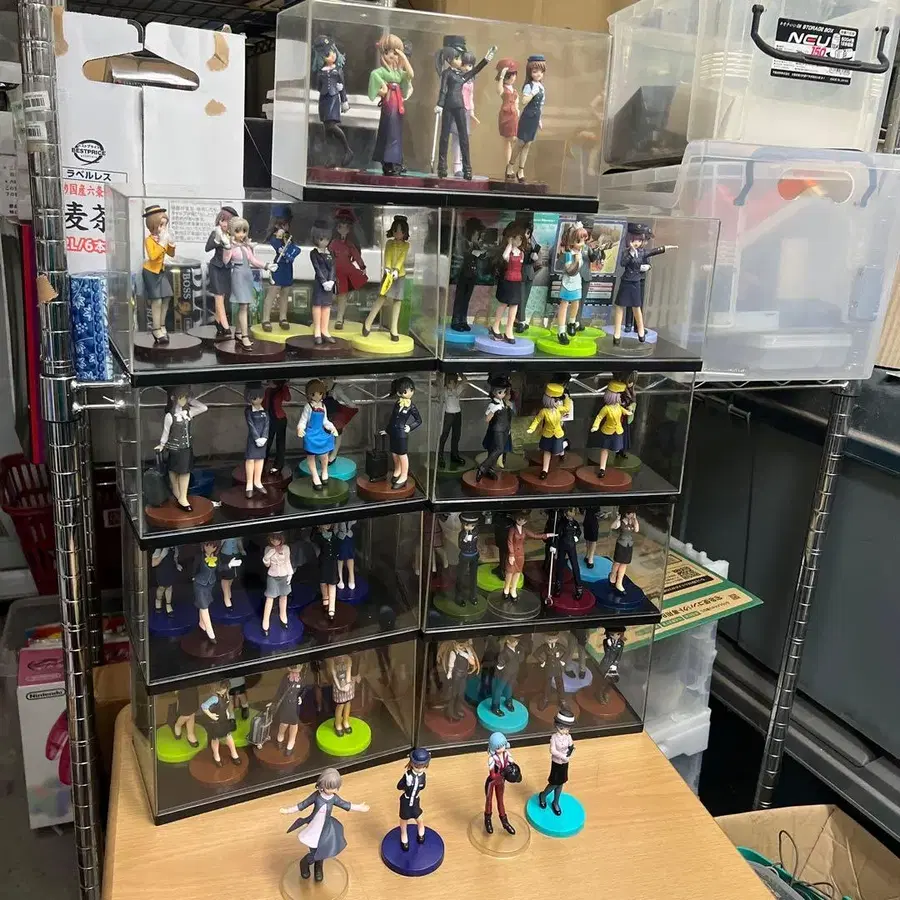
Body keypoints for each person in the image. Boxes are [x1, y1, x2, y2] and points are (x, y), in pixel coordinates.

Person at [280, 768, 370, 883]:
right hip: (314, 828)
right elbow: (302, 805)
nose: (331, 790)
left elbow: (345, 804)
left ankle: (318, 867)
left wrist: (359, 807)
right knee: (314, 850)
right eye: (329, 787)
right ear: (322, 784)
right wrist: (287, 811)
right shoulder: (316, 796)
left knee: (323, 849)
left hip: (326, 829)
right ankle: (305, 862)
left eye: (334, 787)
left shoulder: (334, 798)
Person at [434, 36, 495, 180]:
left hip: (460, 107)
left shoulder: (462, 75)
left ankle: (467, 168)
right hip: (448, 106)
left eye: (460, 58)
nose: (460, 60)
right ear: (449, 59)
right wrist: (440, 104)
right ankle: (442, 167)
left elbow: (475, 71)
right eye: (457, 58)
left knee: (464, 137)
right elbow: (443, 90)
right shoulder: (447, 74)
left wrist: (486, 60)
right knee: (444, 137)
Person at [613, 223, 676, 345]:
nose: (636, 243)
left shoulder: (642, 253)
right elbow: (623, 263)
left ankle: (641, 331)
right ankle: (617, 333)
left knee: (636, 307)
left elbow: (654, 251)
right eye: (633, 240)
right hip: (625, 281)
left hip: (636, 282)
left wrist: (666, 247)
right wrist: (631, 253)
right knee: (620, 307)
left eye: (639, 240)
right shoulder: (626, 253)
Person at [225, 216, 277, 350]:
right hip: (238, 276)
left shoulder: (245, 246)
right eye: (238, 231)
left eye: (244, 231)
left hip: (247, 275)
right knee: (243, 306)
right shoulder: (230, 246)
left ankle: (238, 332)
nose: (241, 234)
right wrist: (227, 247)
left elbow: (253, 260)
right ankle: (245, 336)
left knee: (245, 305)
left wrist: (267, 266)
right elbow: (225, 261)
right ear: (231, 231)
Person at [155, 386, 208, 512]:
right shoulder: (170, 416)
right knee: (173, 471)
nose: (183, 400)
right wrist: (162, 444)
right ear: (173, 398)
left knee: (185, 472)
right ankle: (176, 491)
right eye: (181, 397)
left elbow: (204, 408)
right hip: (174, 448)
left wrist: (191, 399)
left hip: (186, 448)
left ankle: (183, 497)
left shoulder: (189, 412)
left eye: (185, 398)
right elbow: (166, 432)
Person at [368, 34, 414, 177]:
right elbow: (375, 81)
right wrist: (382, 89)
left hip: (397, 103)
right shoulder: (380, 72)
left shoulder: (399, 73)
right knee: (388, 131)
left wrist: (403, 57)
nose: (391, 56)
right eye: (388, 52)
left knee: (396, 133)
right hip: (389, 103)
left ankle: (395, 162)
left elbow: (410, 75)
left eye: (395, 52)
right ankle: (388, 162)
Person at [363, 215, 410, 342]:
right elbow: (387, 255)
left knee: (397, 300)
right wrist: (388, 268)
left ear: (405, 232)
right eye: (395, 231)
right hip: (388, 274)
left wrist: (396, 270)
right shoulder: (389, 243)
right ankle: (368, 322)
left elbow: (401, 258)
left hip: (400, 275)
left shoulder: (406, 245)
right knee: (382, 297)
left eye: (401, 231)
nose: (398, 233)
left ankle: (394, 329)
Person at [311, 34, 352, 168]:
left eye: (333, 52)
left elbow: (342, 87)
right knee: (327, 131)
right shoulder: (321, 72)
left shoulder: (338, 71)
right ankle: (331, 158)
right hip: (324, 100)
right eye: (328, 54)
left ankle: (347, 149)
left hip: (334, 99)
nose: (332, 55)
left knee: (331, 126)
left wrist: (344, 101)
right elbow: (318, 86)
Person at [506, 55, 546, 183]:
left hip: (535, 117)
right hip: (527, 116)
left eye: (540, 71)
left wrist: (540, 119)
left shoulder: (541, 87)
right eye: (535, 71)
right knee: (520, 143)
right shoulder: (529, 86)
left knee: (528, 144)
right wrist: (533, 93)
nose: (538, 74)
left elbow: (541, 104)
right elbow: (523, 101)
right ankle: (510, 165)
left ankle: (521, 170)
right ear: (530, 72)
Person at [141, 204, 176, 345]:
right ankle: (155, 329)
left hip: (161, 271)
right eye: (161, 225)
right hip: (150, 272)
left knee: (167, 296)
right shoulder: (149, 240)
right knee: (157, 301)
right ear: (152, 225)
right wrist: (162, 243)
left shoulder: (163, 238)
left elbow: (171, 254)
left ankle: (162, 325)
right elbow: (153, 256)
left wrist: (171, 243)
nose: (163, 228)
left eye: (165, 225)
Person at [503, 511, 554, 603]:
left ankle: (513, 589)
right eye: (519, 519)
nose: (521, 521)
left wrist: (546, 535)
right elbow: (509, 542)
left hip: (520, 554)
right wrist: (511, 554)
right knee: (509, 572)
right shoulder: (512, 529)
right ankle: (506, 588)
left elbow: (534, 535)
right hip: (513, 554)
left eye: (524, 520)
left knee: (518, 572)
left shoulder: (524, 530)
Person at [381, 376, 421, 490]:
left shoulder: (411, 406)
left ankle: (404, 476)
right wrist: (387, 430)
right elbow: (392, 418)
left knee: (402, 455)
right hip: (393, 432)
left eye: (411, 390)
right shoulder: (397, 403)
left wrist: (410, 427)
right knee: (394, 453)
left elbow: (419, 420)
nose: (410, 392)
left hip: (402, 434)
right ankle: (397, 470)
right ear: (399, 392)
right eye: (406, 390)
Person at [263, 208, 300, 331]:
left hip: (288, 267)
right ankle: (266, 319)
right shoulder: (274, 237)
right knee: (273, 292)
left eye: (286, 224)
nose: (284, 227)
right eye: (281, 225)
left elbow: (293, 249)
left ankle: (283, 318)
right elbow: (276, 245)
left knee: (285, 293)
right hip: (278, 266)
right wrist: (280, 237)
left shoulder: (289, 237)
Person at [297, 379, 338, 491]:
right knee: (311, 456)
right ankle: (315, 476)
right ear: (309, 394)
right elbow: (303, 420)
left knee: (324, 455)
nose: (317, 396)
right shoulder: (308, 407)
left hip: (321, 432)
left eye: (320, 393)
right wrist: (300, 428)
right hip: (311, 434)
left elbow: (325, 421)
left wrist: (332, 427)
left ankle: (325, 471)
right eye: (314, 394)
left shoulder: (323, 406)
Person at [490, 220, 526, 344]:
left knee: (515, 305)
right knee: (504, 303)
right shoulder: (506, 250)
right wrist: (509, 244)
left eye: (520, 239)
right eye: (516, 238)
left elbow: (522, 263)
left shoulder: (521, 253)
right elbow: (505, 257)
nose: (519, 241)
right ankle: (495, 326)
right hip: (507, 279)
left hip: (517, 280)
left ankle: (509, 330)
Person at [330, 208, 367, 329]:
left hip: (345, 273)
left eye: (346, 227)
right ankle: (329, 315)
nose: (343, 229)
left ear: (350, 229)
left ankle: (339, 318)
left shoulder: (350, 244)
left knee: (343, 295)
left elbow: (356, 256)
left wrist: (362, 266)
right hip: (334, 272)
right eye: (340, 226)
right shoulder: (333, 243)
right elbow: (328, 255)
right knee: (332, 295)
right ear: (337, 228)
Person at [205, 205, 238, 340]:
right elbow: (207, 248)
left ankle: (218, 322)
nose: (224, 224)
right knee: (218, 297)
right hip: (216, 267)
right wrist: (218, 241)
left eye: (228, 222)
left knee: (223, 297)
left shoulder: (231, 235)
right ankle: (225, 326)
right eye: (222, 220)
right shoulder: (216, 233)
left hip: (226, 268)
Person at [527, 382, 571, 479]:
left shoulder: (559, 409)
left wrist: (567, 398)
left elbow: (567, 409)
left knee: (556, 452)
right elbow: (537, 420)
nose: (558, 402)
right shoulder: (544, 411)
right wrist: (531, 428)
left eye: (559, 400)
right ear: (549, 400)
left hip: (558, 434)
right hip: (547, 434)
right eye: (556, 400)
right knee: (547, 451)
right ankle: (544, 470)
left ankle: (565, 444)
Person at [475, 373, 514, 482]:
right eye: (500, 392)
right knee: (499, 449)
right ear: (493, 392)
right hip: (497, 430)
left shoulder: (503, 402)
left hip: (504, 430)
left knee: (495, 449)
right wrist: (493, 411)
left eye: (504, 392)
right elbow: (487, 419)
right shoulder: (493, 405)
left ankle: (489, 468)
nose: (503, 394)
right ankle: (483, 467)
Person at [537, 709, 576, 816]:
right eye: (562, 728)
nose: (564, 730)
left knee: (561, 782)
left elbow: (571, 747)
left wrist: (570, 753)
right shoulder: (554, 737)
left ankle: (556, 802)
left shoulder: (568, 737)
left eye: (567, 728)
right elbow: (552, 750)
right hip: (557, 762)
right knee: (554, 783)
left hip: (565, 763)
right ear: (557, 726)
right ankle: (543, 795)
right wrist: (563, 756)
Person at [450, 217, 485, 332]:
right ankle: (456, 321)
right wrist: (472, 253)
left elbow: (481, 256)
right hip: (462, 273)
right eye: (477, 234)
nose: (478, 237)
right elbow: (460, 254)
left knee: (466, 299)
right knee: (459, 298)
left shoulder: (475, 245)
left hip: (472, 274)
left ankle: (463, 320)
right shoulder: (462, 242)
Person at [200, 681, 242, 768]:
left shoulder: (225, 695)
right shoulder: (214, 698)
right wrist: (211, 715)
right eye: (221, 688)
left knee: (228, 736)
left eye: (224, 688)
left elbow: (225, 706)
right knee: (215, 739)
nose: (223, 690)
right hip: (215, 722)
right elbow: (204, 706)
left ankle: (234, 754)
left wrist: (227, 712)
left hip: (224, 719)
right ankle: (216, 756)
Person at [484, 732, 519, 835]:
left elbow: (512, 765)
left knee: (500, 801)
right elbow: (492, 775)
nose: (502, 748)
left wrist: (514, 772)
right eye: (498, 747)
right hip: (492, 782)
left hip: (501, 781)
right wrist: (503, 773)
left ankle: (504, 822)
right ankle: (488, 820)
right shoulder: (492, 759)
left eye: (503, 745)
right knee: (489, 801)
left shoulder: (507, 755)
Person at [396, 748, 431, 850]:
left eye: (422, 766)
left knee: (419, 818)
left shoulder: (423, 776)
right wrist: (407, 784)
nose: (419, 769)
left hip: (415, 800)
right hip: (406, 801)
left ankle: (421, 832)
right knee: (404, 819)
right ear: (412, 763)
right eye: (417, 766)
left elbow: (423, 786)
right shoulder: (407, 775)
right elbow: (398, 786)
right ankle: (404, 835)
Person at [309, 220, 337, 345]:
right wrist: (324, 282)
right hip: (319, 283)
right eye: (321, 239)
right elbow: (317, 268)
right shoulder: (314, 253)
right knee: (317, 305)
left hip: (329, 283)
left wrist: (331, 280)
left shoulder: (331, 253)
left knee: (327, 306)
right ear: (316, 239)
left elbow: (333, 267)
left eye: (327, 239)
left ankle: (325, 330)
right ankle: (317, 331)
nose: (325, 242)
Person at [438, 638, 479, 721]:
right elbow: (451, 664)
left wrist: (465, 655)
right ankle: (450, 713)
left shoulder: (468, 651)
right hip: (456, 675)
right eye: (460, 645)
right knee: (453, 694)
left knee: (461, 693)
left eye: (463, 645)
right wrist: (449, 672)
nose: (462, 647)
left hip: (464, 674)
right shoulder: (453, 652)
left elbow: (473, 662)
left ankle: (457, 709)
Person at [261, 532, 294, 636]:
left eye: (277, 539)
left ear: (281, 539)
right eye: (273, 539)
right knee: (269, 598)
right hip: (272, 576)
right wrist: (267, 557)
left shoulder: (286, 548)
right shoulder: (268, 548)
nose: (275, 541)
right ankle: (265, 622)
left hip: (284, 575)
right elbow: (267, 564)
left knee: (284, 597)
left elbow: (288, 561)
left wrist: (290, 574)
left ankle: (283, 616)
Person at [272, 664, 307, 757]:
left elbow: (304, 690)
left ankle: (290, 744)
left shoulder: (302, 679)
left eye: (296, 672)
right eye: (293, 672)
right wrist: (274, 702)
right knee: (284, 723)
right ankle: (280, 737)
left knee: (294, 725)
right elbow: (280, 691)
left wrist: (301, 697)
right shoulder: (285, 679)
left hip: (295, 706)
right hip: (285, 705)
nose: (295, 674)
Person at [243, 382, 270, 500]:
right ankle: (249, 484)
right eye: (254, 398)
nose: (258, 400)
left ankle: (258, 482)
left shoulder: (265, 411)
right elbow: (251, 425)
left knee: (260, 459)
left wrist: (264, 437)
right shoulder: (248, 411)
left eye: (260, 397)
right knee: (250, 460)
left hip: (263, 440)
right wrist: (257, 438)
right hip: (253, 440)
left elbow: (267, 425)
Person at [550, 507, 584, 600]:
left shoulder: (575, 523)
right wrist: (554, 545)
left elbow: (579, 531)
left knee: (575, 566)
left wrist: (577, 536)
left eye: (574, 511)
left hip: (572, 546)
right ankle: (558, 586)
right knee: (560, 566)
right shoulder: (562, 523)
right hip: (562, 546)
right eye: (571, 511)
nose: (574, 513)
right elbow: (558, 534)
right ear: (566, 512)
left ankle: (579, 588)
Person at [495, 58, 519, 174]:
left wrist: (518, 110)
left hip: (514, 115)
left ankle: (509, 166)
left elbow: (517, 102)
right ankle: (509, 165)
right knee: (510, 139)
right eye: (510, 75)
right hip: (506, 115)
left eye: (514, 75)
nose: (513, 78)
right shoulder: (503, 88)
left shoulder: (513, 89)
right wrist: (501, 77)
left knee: (511, 140)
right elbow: (499, 91)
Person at [534, 632, 569, 712]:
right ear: (546, 638)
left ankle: (562, 700)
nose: (551, 640)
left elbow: (567, 651)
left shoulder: (558, 646)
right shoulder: (544, 647)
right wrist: (542, 661)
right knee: (547, 685)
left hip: (557, 667)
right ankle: (545, 699)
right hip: (548, 667)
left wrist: (562, 660)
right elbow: (536, 654)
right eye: (549, 639)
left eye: (553, 638)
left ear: (557, 638)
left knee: (560, 684)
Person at [327, 654, 361, 738]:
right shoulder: (332, 660)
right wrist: (339, 687)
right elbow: (334, 675)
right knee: (341, 705)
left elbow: (349, 671)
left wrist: (348, 684)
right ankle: (338, 723)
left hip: (347, 684)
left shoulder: (348, 659)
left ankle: (345, 721)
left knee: (348, 703)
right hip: (338, 684)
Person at [491, 634, 524, 717]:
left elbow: (520, 659)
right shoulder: (504, 652)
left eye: (517, 641)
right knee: (499, 689)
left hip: (513, 672)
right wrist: (500, 668)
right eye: (514, 641)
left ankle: (508, 701)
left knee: (509, 687)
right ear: (508, 641)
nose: (516, 643)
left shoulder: (518, 649)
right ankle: (495, 706)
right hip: (504, 674)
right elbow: (500, 664)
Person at [312, 523, 339, 620]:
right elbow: (313, 539)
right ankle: (325, 598)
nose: (327, 525)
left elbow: (337, 546)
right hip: (323, 561)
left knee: (332, 583)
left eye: (329, 524)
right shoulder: (318, 537)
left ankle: (332, 607)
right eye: (325, 524)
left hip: (332, 562)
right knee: (323, 581)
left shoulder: (334, 535)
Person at [437, 372, 466, 467]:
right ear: (447, 382)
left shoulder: (457, 389)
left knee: (456, 436)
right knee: (444, 435)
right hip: (448, 414)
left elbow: (465, 380)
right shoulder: (444, 390)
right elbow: (439, 382)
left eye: (454, 382)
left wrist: (460, 371)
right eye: (450, 382)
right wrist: (439, 374)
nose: (452, 384)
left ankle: (454, 455)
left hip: (458, 414)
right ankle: (440, 456)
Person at [264, 380, 291, 474]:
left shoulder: (281, 390)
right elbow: (264, 404)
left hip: (280, 419)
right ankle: (262, 462)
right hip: (269, 419)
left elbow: (288, 398)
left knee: (280, 443)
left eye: (270, 380)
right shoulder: (268, 390)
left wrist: (285, 386)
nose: (268, 382)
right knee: (267, 442)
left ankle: (278, 465)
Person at [610, 507, 639, 593]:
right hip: (621, 544)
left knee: (624, 564)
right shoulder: (621, 521)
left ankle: (619, 582)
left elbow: (637, 530)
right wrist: (617, 519)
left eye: (632, 513)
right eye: (629, 513)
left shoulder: (632, 521)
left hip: (629, 545)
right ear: (625, 513)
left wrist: (635, 519)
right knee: (617, 563)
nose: (631, 515)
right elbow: (612, 527)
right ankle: (612, 575)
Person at [455, 513, 480, 607]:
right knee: (461, 577)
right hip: (464, 556)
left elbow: (476, 542)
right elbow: (460, 546)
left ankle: (473, 596)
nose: (469, 527)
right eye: (466, 525)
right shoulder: (462, 534)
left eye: (472, 525)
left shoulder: (476, 532)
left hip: (474, 555)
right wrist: (465, 540)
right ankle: (459, 597)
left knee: (473, 577)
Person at [151, 546, 180, 615]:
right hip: (161, 570)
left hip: (170, 569)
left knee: (169, 586)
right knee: (162, 587)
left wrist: (177, 565)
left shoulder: (174, 547)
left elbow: (175, 557)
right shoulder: (159, 548)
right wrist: (162, 556)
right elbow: (153, 564)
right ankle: (158, 600)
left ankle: (168, 604)